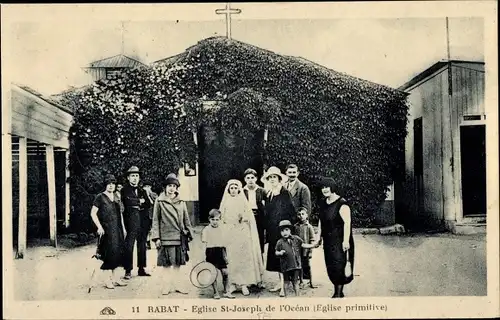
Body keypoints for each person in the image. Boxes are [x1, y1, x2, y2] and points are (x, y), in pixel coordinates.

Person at [219, 179, 264, 296]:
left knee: (243, 257)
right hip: (229, 232)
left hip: (242, 232)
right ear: (228, 189)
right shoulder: (225, 201)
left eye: (235, 188)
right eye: (231, 188)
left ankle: (244, 284)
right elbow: (221, 217)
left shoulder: (242, 201)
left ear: (239, 189)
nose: (233, 190)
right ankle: (233, 284)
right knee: (232, 257)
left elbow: (248, 216)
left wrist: (243, 217)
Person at [151, 173, 193, 295]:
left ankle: (178, 285)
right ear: (165, 187)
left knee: (178, 264)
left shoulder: (181, 202)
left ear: (176, 188)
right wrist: (156, 237)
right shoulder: (159, 201)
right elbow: (155, 220)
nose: (171, 188)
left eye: (174, 186)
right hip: (165, 237)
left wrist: (188, 233)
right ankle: (166, 286)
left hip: (179, 237)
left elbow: (186, 219)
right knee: (166, 264)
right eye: (169, 186)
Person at [315, 177, 355, 298]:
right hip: (328, 241)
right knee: (330, 265)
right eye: (322, 187)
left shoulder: (342, 204)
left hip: (340, 241)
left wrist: (346, 241)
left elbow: (347, 223)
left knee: (339, 266)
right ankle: (338, 291)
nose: (324, 189)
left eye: (327, 187)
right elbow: (320, 221)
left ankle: (338, 293)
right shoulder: (323, 203)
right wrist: (318, 236)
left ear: (332, 187)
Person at [261, 166, 296, 295]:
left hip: (282, 230)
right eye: (270, 178)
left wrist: (287, 229)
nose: (272, 179)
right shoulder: (269, 193)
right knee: (276, 257)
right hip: (272, 231)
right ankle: (279, 282)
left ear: (279, 179)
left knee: (283, 257)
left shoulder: (284, 192)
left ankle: (283, 286)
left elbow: (291, 211)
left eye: (274, 177)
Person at [89, 174, 128, 289]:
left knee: (118, 253)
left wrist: (123, 228)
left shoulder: (116, 197)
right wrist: (99, 227)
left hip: (118, 229)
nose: (111, 186)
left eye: (113, 184)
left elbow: (120, 214)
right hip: (107, 230)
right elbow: (93, 213)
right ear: (105, 185)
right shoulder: (100, 197)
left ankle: (116, 279)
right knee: (109, 254)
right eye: (109, 184)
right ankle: (107, 280)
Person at [121, 166, 152, 279]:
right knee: (129, 245)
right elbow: (128, 201)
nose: (135, 178)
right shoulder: (124, 190)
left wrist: (137, 203)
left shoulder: (142, 190)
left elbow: (148, 203)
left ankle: (141, 269)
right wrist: (139, 201)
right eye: (132, 176)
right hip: (130, 222)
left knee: (142, 245)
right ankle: (128, 270)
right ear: (128, 177)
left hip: (142, 222)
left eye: (137, 176)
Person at [275, 220, 316, 297]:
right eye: (282, 231)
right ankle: (286, 297)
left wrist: (313, 245)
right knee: (286, 282)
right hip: (286, 266)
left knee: (295, 282)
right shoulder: (279, 242)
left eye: (286, 230)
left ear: (290, 230)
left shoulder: (296, 239)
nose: (284, 232)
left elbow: (303, 245)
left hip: (296, 265)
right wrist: (280, 253)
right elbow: (276, 252)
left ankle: (297, 297)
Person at [201, 209, 235, 299]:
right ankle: (216, 292)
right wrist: (203, 256)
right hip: (210, 252)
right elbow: (204, 244)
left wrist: (226, 256)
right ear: (209, 219)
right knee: (214, 273)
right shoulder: (206, 230)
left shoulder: (222, 229)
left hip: (220, 252)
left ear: (220, 219)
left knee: (225, 272)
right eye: (213, 220)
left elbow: (224, 245)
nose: (215, 222)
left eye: (217, 219)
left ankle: (226, 291)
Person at [242, 168, 267, 254]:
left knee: (259, 237)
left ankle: (259, 259)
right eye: (248, 178)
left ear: (256, 178)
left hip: (259, 216)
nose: (250, 180)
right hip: (247, 217)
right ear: (245, 179)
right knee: (247, 238)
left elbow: (266, 206)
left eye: (252, 178)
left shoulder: (262, 191)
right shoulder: (242, 191)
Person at [294, 207, 317, 289]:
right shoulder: (295, 226)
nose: (301, 216)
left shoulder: (309, 227)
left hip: (306, 250)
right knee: (299, 266)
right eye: (299, 214)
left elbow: (312, 240)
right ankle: (301, 281)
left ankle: (311, 282)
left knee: (307, 266)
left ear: (307, 215)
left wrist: (310, 251)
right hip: (297, 251)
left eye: (303, 214)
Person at [142, 180, 158, 250]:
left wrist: (150, 195)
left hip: (154, 214)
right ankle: (147, 243)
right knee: (146, 229)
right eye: (145, 187)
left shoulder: (154, 194)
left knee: (154, 229)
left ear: (150, 187)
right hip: (146, 215)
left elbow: (156, 203)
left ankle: (156, 242)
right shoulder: (142, 195)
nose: (147, 188)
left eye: (148, 187)